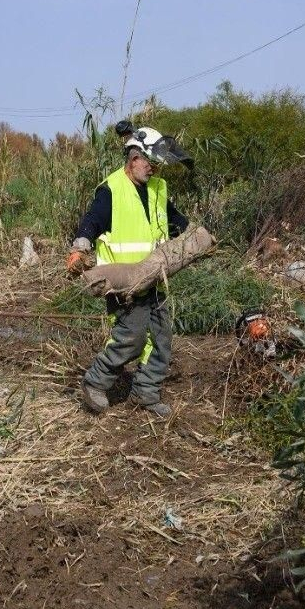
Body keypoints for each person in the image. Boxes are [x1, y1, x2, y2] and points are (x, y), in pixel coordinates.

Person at [67, 127, 191, 418]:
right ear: (133, 158)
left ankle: (145, 392)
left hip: (156, 276)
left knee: (160, 338)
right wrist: (80, 246)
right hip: (124, 282)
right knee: (132, 336)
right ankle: (95, 382)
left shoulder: (158, 189)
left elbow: (175, 220)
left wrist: (195, 235)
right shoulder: (111, 189)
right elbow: (92, 220)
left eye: (154, 163)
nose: (152, 167)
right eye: (146, 161)